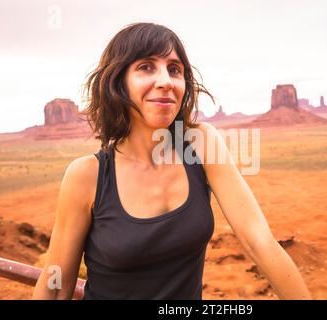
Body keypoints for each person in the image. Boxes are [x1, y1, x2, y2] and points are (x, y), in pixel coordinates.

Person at [32, 22, 312, 300]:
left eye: (174, 69)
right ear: (118, 82)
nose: (166, 81)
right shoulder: (87, 175)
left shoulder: (200, 144)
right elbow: (56, 286)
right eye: (146, 67)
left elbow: (258, 241)